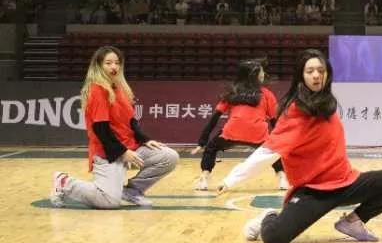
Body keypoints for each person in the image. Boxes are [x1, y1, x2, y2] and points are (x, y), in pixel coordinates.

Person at [242, 50, 382, 243]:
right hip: (314, 192)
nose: (316, 75)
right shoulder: (294, 111)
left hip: (345, 183)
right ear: (301, 76)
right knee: (274, 238)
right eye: (310, 71)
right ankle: (269, 216)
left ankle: (353, 221)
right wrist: (232, 179)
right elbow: (269, 150)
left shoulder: (327, 104)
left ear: (327, 74)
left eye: (320, 70)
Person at [50, 46, 179, 209]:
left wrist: (145, 140)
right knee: (109, 202)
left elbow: (131, 122)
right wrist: (123, 153)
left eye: (117, 63)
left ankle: (133, 191)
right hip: (108, 152)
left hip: (129, 149)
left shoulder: (120, 88)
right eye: (108, 63)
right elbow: (100, 129)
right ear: (98, 66)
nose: (114, 67)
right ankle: (65, 182)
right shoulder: (97, 90)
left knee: (169, 156)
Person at [192, 59, 287, 192]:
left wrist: (202, 141)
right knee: (272, 152)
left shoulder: (233, 92)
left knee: (211, 148)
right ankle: (282, 178)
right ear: (254, 75)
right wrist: (280, 140)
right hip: (258, 132)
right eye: (261, 72)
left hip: (232, 131)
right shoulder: (266, 94)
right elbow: (273, 120)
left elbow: (214, 118)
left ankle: (204, 179)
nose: (263, 74)